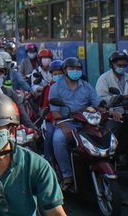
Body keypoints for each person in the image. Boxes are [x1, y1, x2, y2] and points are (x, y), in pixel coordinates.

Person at [48, 57, 112, 190]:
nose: (75, 71)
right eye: (72, 69)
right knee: (58, 140)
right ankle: (67, 175)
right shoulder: (56, 87)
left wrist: (104, 108)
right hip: (67, 122)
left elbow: (97, 103)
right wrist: (64, 128)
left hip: (86, 123)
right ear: (65, 70)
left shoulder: (86, 86)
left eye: (78, 69)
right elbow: (55, 111)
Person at [96, 51, 128, 164]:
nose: (122, 68)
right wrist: (118, 98)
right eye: (119, 65)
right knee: (111, 134)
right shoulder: (104, 79)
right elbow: (101, 98)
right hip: (113, 113)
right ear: (112, 65)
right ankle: (108, 159)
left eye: (124, 66)